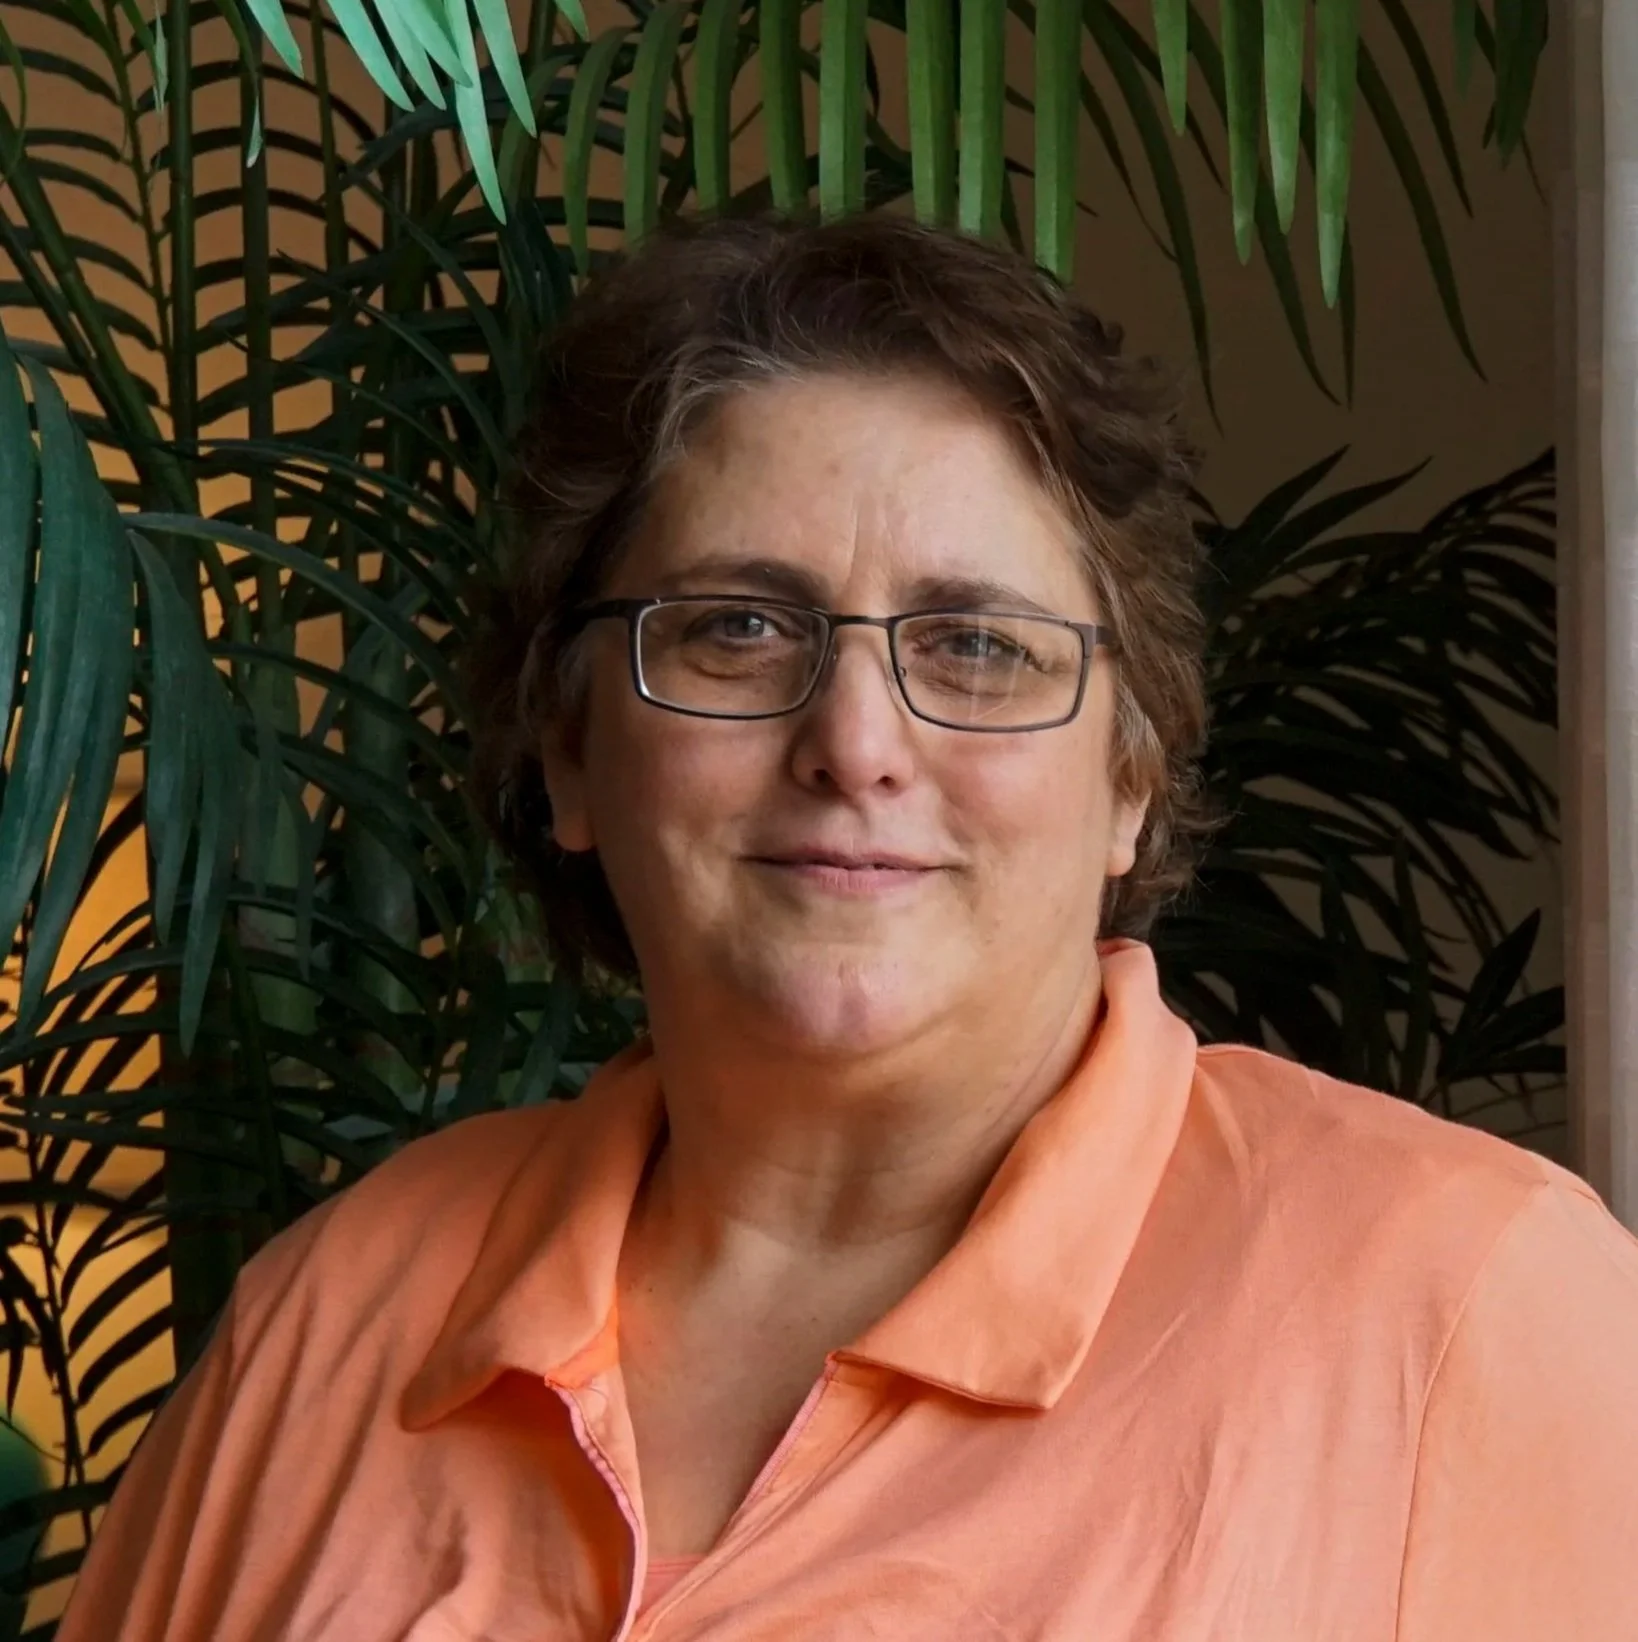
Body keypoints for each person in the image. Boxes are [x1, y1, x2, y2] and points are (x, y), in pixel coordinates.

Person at [59, 213, 1638, 1642]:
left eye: (977, 646)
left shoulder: (1465, 1305)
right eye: (738, 628)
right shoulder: (332, 1310)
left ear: (1130, 777)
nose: (857, 742)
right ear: (568, 748)